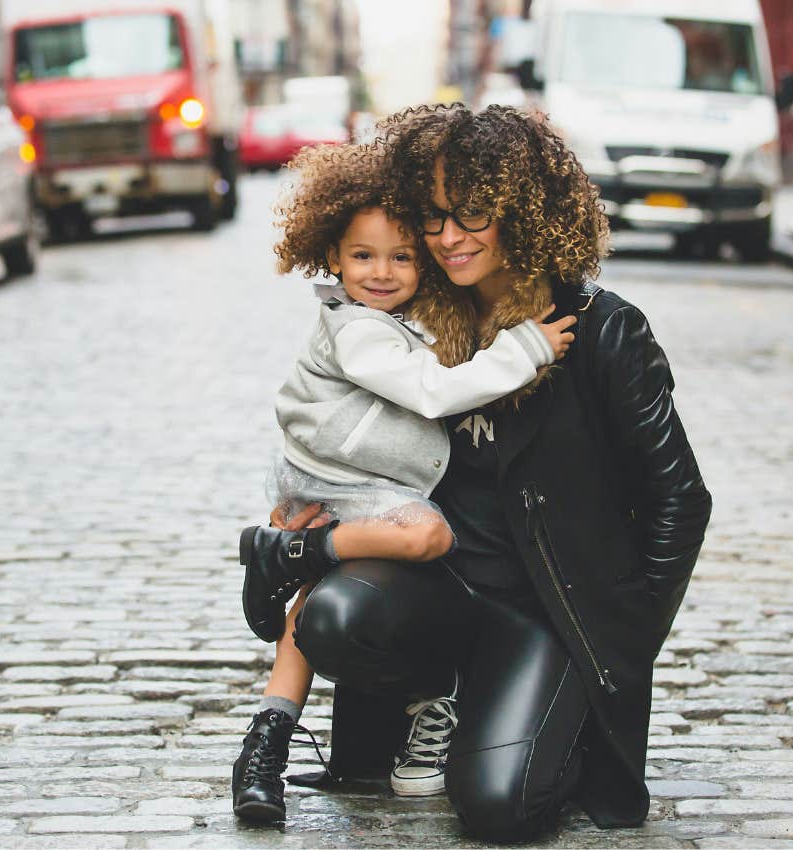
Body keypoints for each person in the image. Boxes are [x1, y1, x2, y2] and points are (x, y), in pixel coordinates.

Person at [271, 103, 713, 843]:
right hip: (443, 588)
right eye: (434, 217)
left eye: (473, 214)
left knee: (499, 808)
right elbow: (341, 426)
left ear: (524, 209)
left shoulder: (603, 330)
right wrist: (308, 514)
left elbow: (680, 500)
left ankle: (535, 715)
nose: (447, 238)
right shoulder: (417, 317)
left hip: (546, 612)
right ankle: (438, 701)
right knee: (334, 618)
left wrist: (623, 641)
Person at [232, 141, 577, 824]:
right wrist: (528, 348)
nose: (383, 272)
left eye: (401, 256)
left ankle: (264, 739)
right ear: (332, 256)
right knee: (426, 534)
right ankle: (301, 557)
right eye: (363, 257)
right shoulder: (356, 329)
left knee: (313, 592)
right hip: (348, 479)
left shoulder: (398, 317)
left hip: (340, 475)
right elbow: (430, 392)